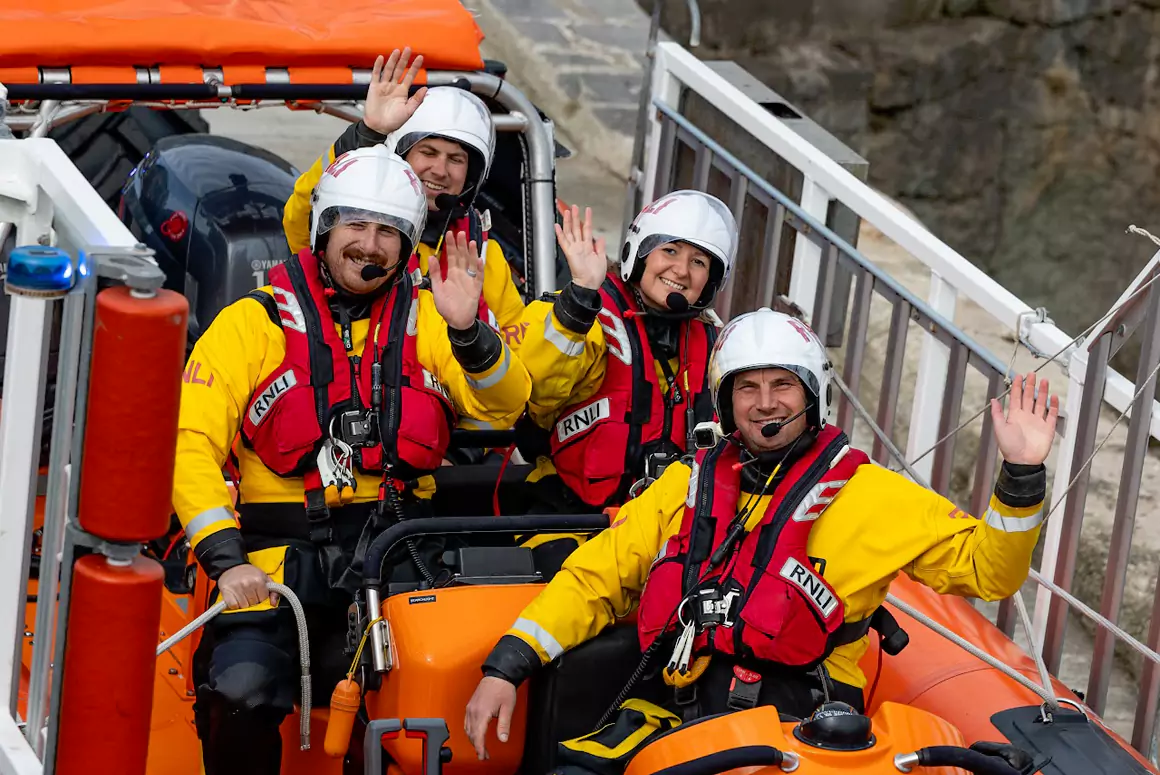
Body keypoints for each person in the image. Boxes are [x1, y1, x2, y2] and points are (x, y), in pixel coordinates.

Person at [465, 307, 1059, 767]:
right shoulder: (685, 485)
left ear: (813, 395)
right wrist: (508, 666)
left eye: (783, 385)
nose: (766, 403)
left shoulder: (875, 496)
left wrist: (1022, 473)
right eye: (747, 387)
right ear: (725, 401)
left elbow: (989, 571)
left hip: (807, 732)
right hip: (676, 716)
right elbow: (595, 578)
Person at [173, 139, 530, 774]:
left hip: (401, 557)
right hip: (276, 562)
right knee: (238, 690)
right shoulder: (250, 324)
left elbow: (506, 405)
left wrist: (470, 331)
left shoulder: (433, 320)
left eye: (388, 232)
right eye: (356, 226)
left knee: (435, 702)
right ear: (323, 229)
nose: (370, 245)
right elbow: (189, 443)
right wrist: (226, 560)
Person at [510, 192, 738, 573]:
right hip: (571, 524)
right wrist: (580, 297)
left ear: (711, 281)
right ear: (640, 252)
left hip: (671, 535)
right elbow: (537, 389)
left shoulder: (719, 349)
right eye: (670, 251)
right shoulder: (585, 318)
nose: (682, 271)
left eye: (698, 262)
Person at [283, 48, 526, 339]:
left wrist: (570, 307)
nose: (440, 170)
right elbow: (301, 217)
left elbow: (518, 344)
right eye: (428, 152)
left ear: (471, 176)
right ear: (401, 156)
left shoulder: (483, 254)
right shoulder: (353, 228)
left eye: (456, 159)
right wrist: (368, 133)